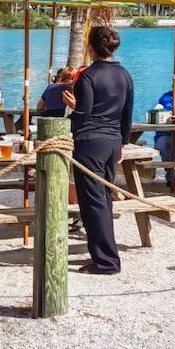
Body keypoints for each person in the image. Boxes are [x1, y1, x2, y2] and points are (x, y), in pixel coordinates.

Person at [70, 24, 133, 276]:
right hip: (112, 141)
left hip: (90, 142)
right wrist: (123, 143)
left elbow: (83, 116)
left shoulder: (88, 76)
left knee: (93, 202)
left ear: (91, 47)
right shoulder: (124, 74)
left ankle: (106, 260)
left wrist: (71, 113)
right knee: (104, 200)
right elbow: (127, 113)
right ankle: (106, 256)